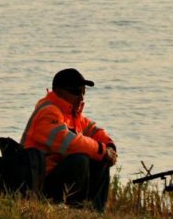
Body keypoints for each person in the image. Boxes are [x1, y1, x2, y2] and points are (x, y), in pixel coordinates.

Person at [20, 68, 117, 211]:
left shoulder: (71, 114)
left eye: (83, 92)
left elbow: (93, 130)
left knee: (101, 160)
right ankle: (70, 208)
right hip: (38, 183)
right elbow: (70, 143)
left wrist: (109, 146)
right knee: (80, 160)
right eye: (77, 92)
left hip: (53, 178)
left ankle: (95, 213)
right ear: (59, 92)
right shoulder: (48, 112)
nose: (81, 98)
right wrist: (102, 150)